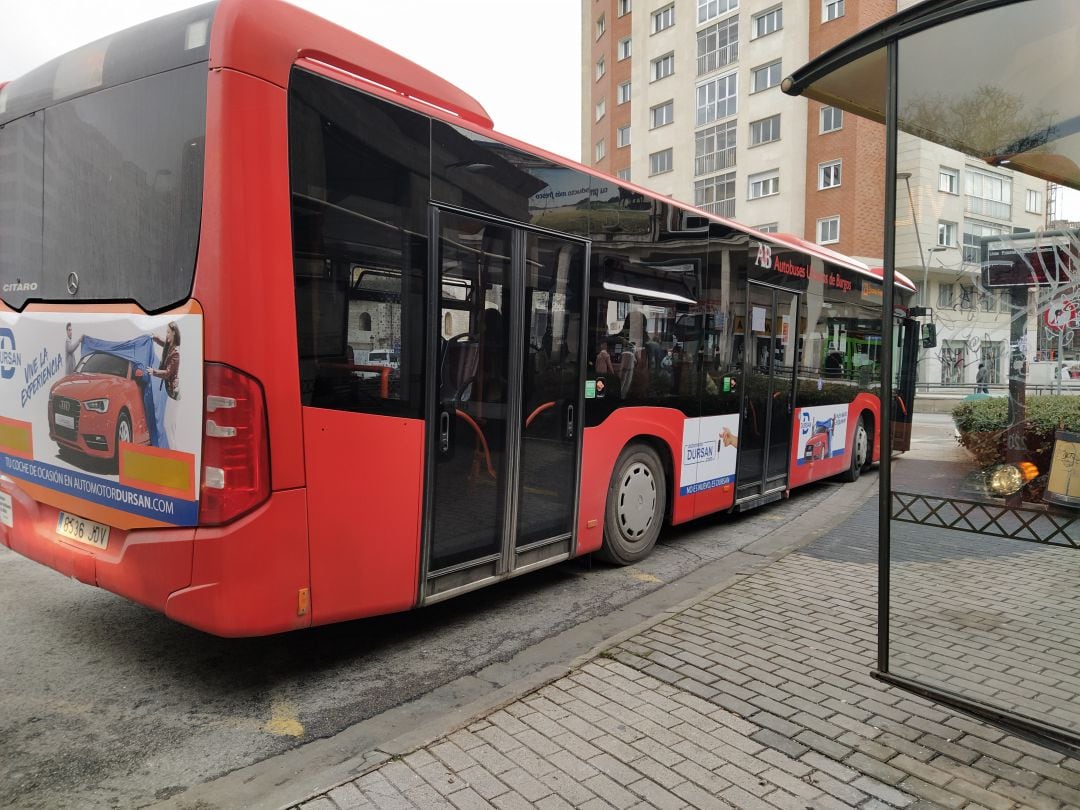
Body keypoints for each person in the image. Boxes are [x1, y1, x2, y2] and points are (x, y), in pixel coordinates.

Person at [150, 322, 181, 448]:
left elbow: (168, 373)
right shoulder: (170, 347)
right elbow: (164, 344)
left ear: (174, 332)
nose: (167, 335)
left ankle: (176, 454)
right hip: (170, 392)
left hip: (173, 394)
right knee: (168, 425)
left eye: (168, 332)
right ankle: (174, 453)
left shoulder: (175, 353)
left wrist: (154, 372)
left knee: (169, 426)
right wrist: (155, 337)